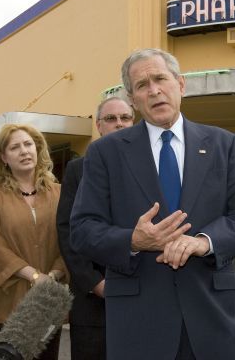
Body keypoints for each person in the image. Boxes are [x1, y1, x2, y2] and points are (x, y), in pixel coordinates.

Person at [70, 48, 235, 360]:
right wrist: (132, 240)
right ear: (132, 99)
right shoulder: (105, 153)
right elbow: (81, 229)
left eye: (160, 79)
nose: (154, 90)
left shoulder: (222, 144)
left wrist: (204, 242)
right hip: (138, 324)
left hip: (210, 319)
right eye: (142, 85)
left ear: (181, 84)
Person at [0, 123, 68, 359]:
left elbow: (70, 239)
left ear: (38, 150)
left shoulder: (61, 193)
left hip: (45, 301)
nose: (24, 151)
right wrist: (35, 276)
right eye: (15, 147)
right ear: (4, 157)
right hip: (5, 300)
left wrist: (55, 274)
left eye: (28, 144)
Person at [56, 97, 135, 359]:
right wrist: (94, 282)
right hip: (92, 302)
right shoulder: (78, 169)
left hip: (142, 295)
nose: (119, 124)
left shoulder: (151, 166)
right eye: (111, 119)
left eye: (125, 118)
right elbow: (68, 230)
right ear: (99, 126)